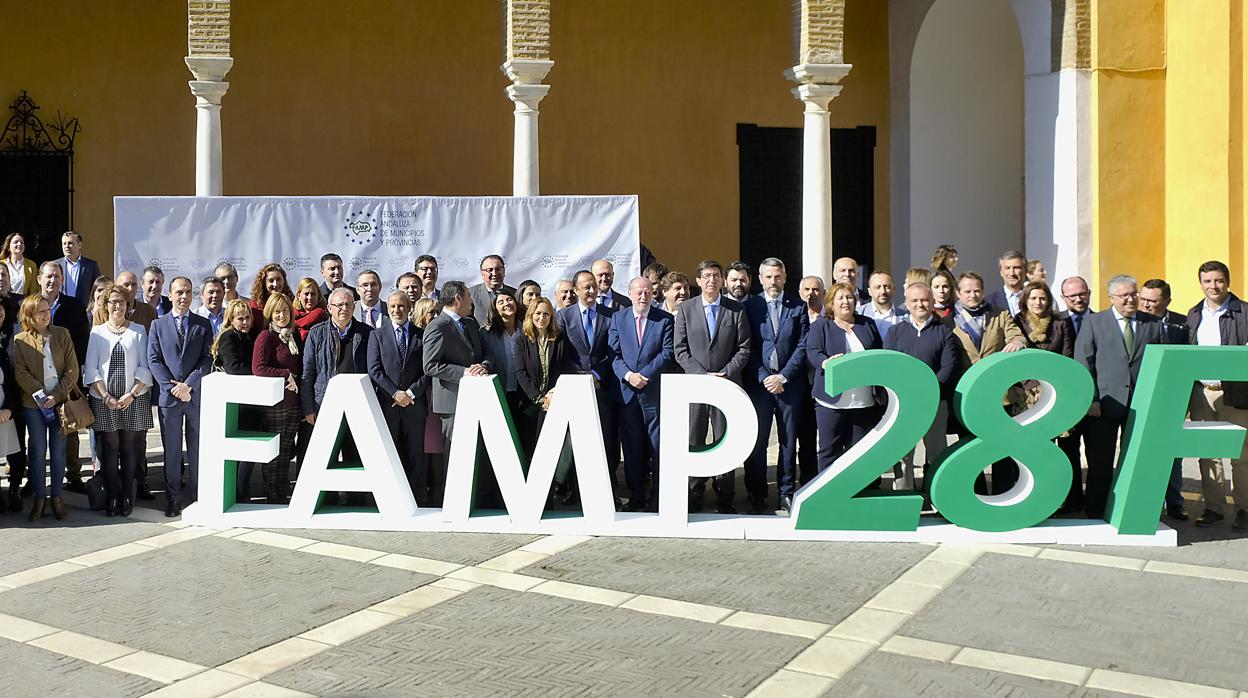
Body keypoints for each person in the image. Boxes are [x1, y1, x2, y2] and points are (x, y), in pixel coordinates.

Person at [1074, 274, 1163, 520]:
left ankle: (1133, 508)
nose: (1130, 299)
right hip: (1104, 404)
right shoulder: (1094, 322)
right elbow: (1083, 362)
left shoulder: (1153, 324)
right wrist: (1091, 399)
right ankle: (1095, 510)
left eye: (1133, 294)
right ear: (1112, 298)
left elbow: (1160, 364)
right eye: (1124, 295)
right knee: (1100, 462)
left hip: (1141, 404)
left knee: (1137, 459)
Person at [674, 260, 752, 514]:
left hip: (727, 385)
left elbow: (744, 347)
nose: (711, 280)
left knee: (725, 439)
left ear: (722, 280)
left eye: (716, 276)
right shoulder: (686, 309)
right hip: (696, 387)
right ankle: (694, 493)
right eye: (706, 276)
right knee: (694, 439)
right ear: (698, 281)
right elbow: (680, 350)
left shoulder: (735, 309)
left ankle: (725, 496)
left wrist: (725, 373)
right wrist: (702, 375)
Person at [1184, 261, 1248, 531]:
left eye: (1219, 280)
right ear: (1201, 283)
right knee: (1208, 454)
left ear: (1228, 281)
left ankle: (1244, 508)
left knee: (1241, 454)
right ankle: (1214, 508)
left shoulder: (1244, 312)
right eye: (1208, 281)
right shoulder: (1194, 313)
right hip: (1202, 392)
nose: (1213, 286)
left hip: (1235, 392)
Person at [949, 271, 1026, 494]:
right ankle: (976, 493)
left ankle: (1003, 492)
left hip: (998, 394)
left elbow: (1017, 335)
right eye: (967, 291)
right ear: (958, 293)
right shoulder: (948, 319)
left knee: (1000, 447)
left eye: (977, 290)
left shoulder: (999, 314)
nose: (973, 295)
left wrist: (1017, 343)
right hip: (966, 394)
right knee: (971, 446)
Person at [743, 258, 808, 514]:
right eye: (768, 277)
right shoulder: (750, 306)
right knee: (757, 443)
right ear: (760, 279)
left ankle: (785, 493)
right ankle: (757, 493)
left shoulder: (797, 307)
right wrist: (763, 376)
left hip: (788, 387)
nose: (773, 281)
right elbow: (745, 345)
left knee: (788, 443)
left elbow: (803, 345)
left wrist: (783, 377)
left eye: (777, 277)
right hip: (759, 386)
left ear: (784, 277)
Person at [84, 283, 153, 517]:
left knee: (129, 446)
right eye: (112, 302)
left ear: (128, 305)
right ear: (105, 305)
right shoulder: (97, 332)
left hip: (134, 397)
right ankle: (112, 495)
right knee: (110, 447)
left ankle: (127, 495)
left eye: (121, 302)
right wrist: (105, 396)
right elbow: (91, 369)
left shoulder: (139, 331)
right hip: (104, 399)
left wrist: (131, 394)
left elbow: (145, 366)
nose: (117, 306)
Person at [147, 276, 213, 517]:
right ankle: (173, 498)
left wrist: (190, 386)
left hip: (194, 397)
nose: (183, 297)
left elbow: (207, 359)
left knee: (197, 449)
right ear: (170, 294)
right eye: (179, 292)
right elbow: (153, 360)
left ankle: (198, 495)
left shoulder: (202, 324)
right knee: (172, 451)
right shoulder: (158, 324)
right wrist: (172, 387)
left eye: (187, 292)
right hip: (170, 399)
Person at [886, 282, 959, 495]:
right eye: (915, 300)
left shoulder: (944, 333)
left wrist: (927, 391)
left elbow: (948, 367)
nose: (920, 304)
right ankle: (904, 499)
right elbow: (891, 366)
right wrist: (908, 393)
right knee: (903, 455)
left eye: (925, 300)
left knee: (937, 453)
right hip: (904, 403)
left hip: (935, 403)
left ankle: (939, 499)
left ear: (932, 302)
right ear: (907, 304)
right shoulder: (895, 332)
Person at [422, 281, 491, 502]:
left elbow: (484, 355)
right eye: (469, 297)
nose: (472, 302)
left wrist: (484, 366)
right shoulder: (438, 325)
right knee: (455, 455)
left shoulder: (470, 324)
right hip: (452, 402)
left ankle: (475, 498)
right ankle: (454, 501)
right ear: (458, 299)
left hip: (476, 400)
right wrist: (465, 373)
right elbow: (430, 365)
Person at [13, 295, 80, 522]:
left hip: (60, 403)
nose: (45, 314)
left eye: (47, 309)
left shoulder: (62, 334)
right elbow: (20, 372)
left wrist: (57, 395)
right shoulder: (20, 339)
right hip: (34, 405)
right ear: (29, 315)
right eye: (40, 311)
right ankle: (40, 498)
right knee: (37, 449)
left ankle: (57, 497)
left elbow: (72, 368)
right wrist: (42, 395)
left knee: (59, 449)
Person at [609, 278, 674, 511]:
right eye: (638, 292)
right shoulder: (618, 318)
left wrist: (644, 375)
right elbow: (613, 355)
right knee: (632, 449)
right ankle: (636, 497)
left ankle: (659, 498)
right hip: (627, 395)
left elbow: (668, 352)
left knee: (658, 448)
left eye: (647, 292)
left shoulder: (665, 319)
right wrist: (628, 376)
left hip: (653, 392)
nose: (643, 296)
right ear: (630, 293)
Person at [806, 283, 882, 476]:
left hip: (863, 401)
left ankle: (857, 495)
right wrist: (825, 363)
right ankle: (826, 493)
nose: (845, 302)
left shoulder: (867, 324)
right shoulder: (821, 325)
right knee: (828, 451)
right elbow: (812, 351)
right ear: (831, 304)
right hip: (831, 401)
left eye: (849, 297)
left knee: (858, 453)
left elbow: (878, 352)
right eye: (840, 298)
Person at [559, 270, 622, 495]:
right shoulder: (564, 317)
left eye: (594, 286)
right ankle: (575, 489)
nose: (592, 290)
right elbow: (561, 353)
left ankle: (607, 487)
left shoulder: (611, 314)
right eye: (586, 287)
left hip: (602, 387)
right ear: (576, 290)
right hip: (574, 389)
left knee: (605, 439)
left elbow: (614, 350)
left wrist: (596, 374)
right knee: (577, 440)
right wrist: (578, 377)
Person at [367, 291, 429, 502]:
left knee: (415, 455)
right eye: (393, 306)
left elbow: (427, 370)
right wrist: (395, 393)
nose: (397, 310)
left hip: (415, 404)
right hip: (388, 405)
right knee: (390, 453)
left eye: (401, 306)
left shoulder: (422, 335)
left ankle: (417, 499)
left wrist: (410, 393)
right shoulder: (377, 335)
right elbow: (374, 371)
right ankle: (390, 498)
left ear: (409, 307)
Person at [1139, 277, 1189, 521]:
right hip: (1140, 396)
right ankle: (1148, 501)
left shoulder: (1183, 323)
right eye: (1144, 299)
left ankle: (1175, 503)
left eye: (1153, 301)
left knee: (1173, 453)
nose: (1146, 305)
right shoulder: (1134, 321)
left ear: (1167, 301)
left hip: (1172, 396)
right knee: (1142, 451)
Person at [38, 261, 91, 494]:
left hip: (65, 379)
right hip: (37, 381)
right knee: (37, 435)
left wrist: (70, 378)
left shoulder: (74, 306)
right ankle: (35, 478)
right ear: (39, 278)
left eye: (57, 277)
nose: (53, 281)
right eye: (48, 276)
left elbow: (81, 343)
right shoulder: (29, 305)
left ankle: (74, 474)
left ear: (62, 280)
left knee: (69, 430)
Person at [253, 293, 304, 504]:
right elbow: (258, 368)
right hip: (276, 404)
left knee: (286, 450)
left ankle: (283, 492)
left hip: (294, 403)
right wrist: (285, 374)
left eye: (285, 311)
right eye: (277, 311)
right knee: (273, 452)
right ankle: (272, 495)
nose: (282, 315)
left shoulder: (293, 336)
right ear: (270, 314)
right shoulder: (266, 336)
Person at [514, 296, 575, 458]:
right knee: (532, 447)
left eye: (546, 314)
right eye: (538, 313)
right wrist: (540, 398)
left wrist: (553, 394)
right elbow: (520, 372)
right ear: (530, 315)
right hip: (530, 403)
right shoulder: (521, 339)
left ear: (551, 316)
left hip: (555, 400)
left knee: (554, 449)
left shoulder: (560, 338)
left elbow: (565, 368)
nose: (542, 318)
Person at [1055, 274, 1094, 511]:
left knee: (1097, 452)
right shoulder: (1055, 321)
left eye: (1082, 294)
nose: (1078, 299)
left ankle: (1095, 501)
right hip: (1065, 399)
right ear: (1063, 298)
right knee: (1068, 450)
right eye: (1072, 296)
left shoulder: (1102, 320)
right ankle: (1071, 500)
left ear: (1089, 293)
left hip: (1095, 398)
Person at [212, 299, 258, 500]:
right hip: (237, 406)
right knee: (241, 455)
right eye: (240, 318)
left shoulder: (247, 337)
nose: (245, 322)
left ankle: (242, 494)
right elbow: (234, 368)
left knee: (248, 456)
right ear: (231, 319)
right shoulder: (228, 337)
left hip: (250, 404)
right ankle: (240, 496)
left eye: (248, 318)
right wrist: (260, 373)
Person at [411, 297, 444, 493]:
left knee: (436, 443)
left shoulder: (443, 334)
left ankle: (438, 489)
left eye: (437, 312)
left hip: (437, 396)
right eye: (431, 312)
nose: (435, 316)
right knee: (421, 444)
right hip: (419, 396)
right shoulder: (414, 338)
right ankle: (422, 489)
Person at [796, 275, 825, 486]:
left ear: (824, 294)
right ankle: (807, 480)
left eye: (816, 290)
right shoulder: (795, 318)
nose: (811, 294)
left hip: (824, 385)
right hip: (800, 386)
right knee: (804, 438)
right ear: (800, 294)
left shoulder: (831, 320)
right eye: (806, 289)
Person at [481, 289, 523, 415]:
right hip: (500, 390)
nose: (507, 303)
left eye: (509, 299)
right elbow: (485, 356)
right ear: (495, 309)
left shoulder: (527, 329)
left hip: (524, 392)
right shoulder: (486, 333)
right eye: (501, 302)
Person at [0, 300, 25, 512]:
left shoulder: (2, 349)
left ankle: (14, 489)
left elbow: (8, 382)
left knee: (15, 451)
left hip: (5, 411)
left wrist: (8, 408)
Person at [1014, 282, 1074, 357]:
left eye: (1042, 299)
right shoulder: (1017, 322)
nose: (1038, 302)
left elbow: (1067, 354)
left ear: (1048, 301)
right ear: (1025, 300)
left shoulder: (1059, 323)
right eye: (1033, 298)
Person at [55, 231, 102, 306]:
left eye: (70, 243)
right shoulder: (55, 265)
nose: (66, 246)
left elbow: (99, 287)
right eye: (64, 243)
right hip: (61, 309)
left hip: (83, 310)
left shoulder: (91, 266)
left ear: (79, 245)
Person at [469, 254, 516, 326]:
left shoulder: (515, 294)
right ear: (482, 273)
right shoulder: (470, 294)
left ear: (504, 271)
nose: (494, 273)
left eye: (498, 269)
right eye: (489, 270)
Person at [859, 271, 908, 337]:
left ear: (894, 289)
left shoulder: (906, 317)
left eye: (887, 286)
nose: (883, 291)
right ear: (869, 291)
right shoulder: (859, 314)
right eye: (877, 287)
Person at [249, 263, 291, 332]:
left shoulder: (291, 301)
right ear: (264, 283)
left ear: (284, 281)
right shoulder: (255, 305)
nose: (275, 284)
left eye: (278, 279)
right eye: (271, 281)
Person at [987, 250, 1027, 317]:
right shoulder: (990, 302)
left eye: (1016, 268)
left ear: (1025, 270)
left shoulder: (1034, 298)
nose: (1012, 273)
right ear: (1001, 272)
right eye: (1007, 268)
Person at [292, 277, 328, 342]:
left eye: (313, 294)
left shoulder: (324, 317)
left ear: (318, 296)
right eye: (306, 294)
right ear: (298, 296)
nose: (310, 297)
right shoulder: (289, 316)